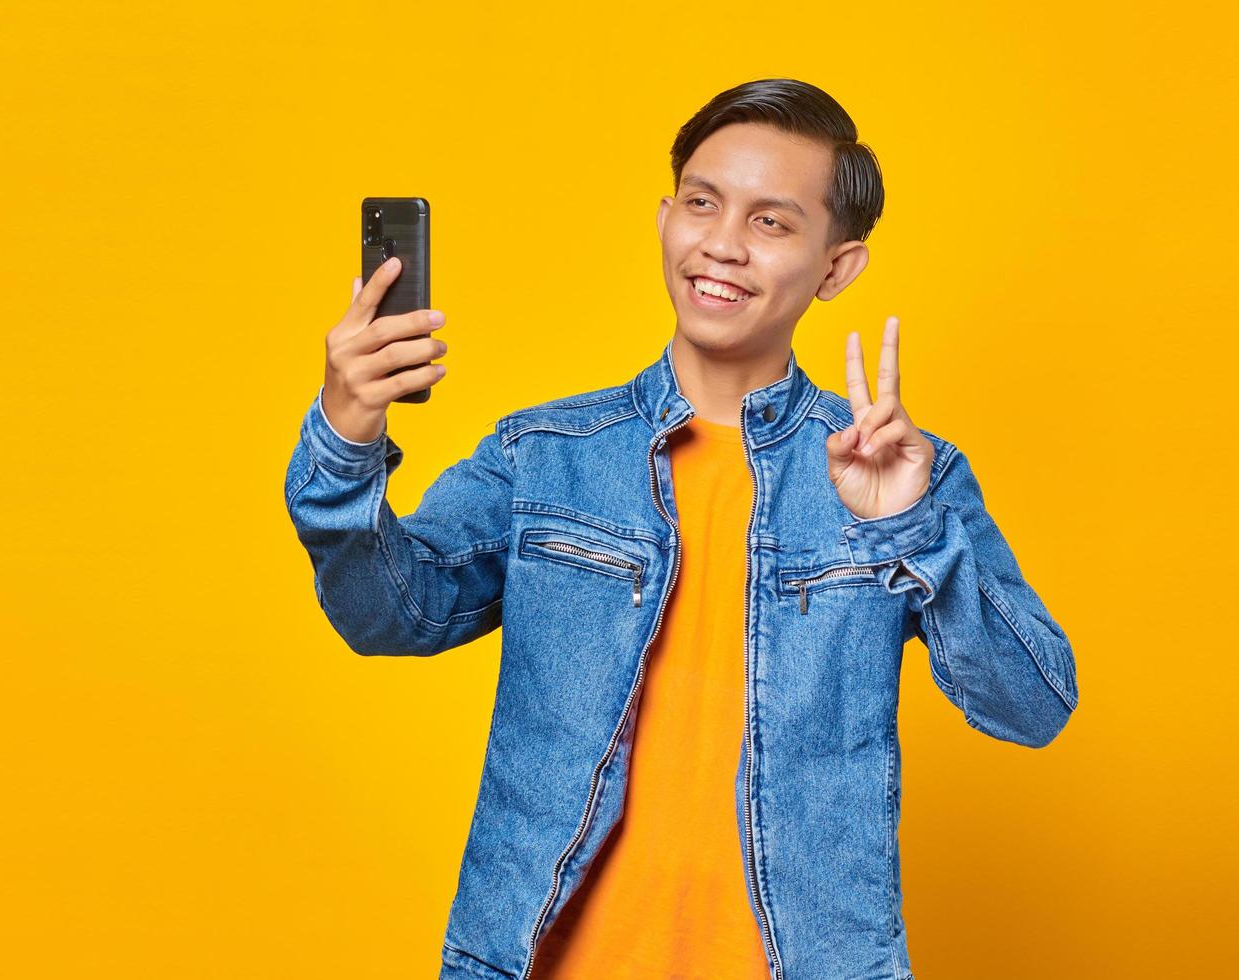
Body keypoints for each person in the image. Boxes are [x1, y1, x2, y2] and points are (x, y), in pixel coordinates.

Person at [285, 77, 1078, 980]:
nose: (723, 245)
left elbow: (1032, 707)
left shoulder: (904, 474)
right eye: (703, 204)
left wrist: (915, 533)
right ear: (666, 216)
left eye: (772, 222)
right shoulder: (545, 453)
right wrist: (346, 437)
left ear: (836, 267)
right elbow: (389, 616)